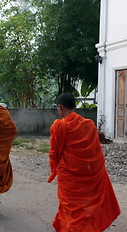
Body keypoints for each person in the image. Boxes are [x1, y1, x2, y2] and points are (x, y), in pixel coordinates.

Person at [48, 92, 120, 232]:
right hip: (90, 174)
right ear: (74, 107)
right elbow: (96, 151)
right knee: (88, 208)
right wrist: (96, 171)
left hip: (69, 176)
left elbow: (54, 153)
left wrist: (54, 169)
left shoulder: (58, 126)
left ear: (60, 107)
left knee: (71, 210)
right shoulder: (89, 125)